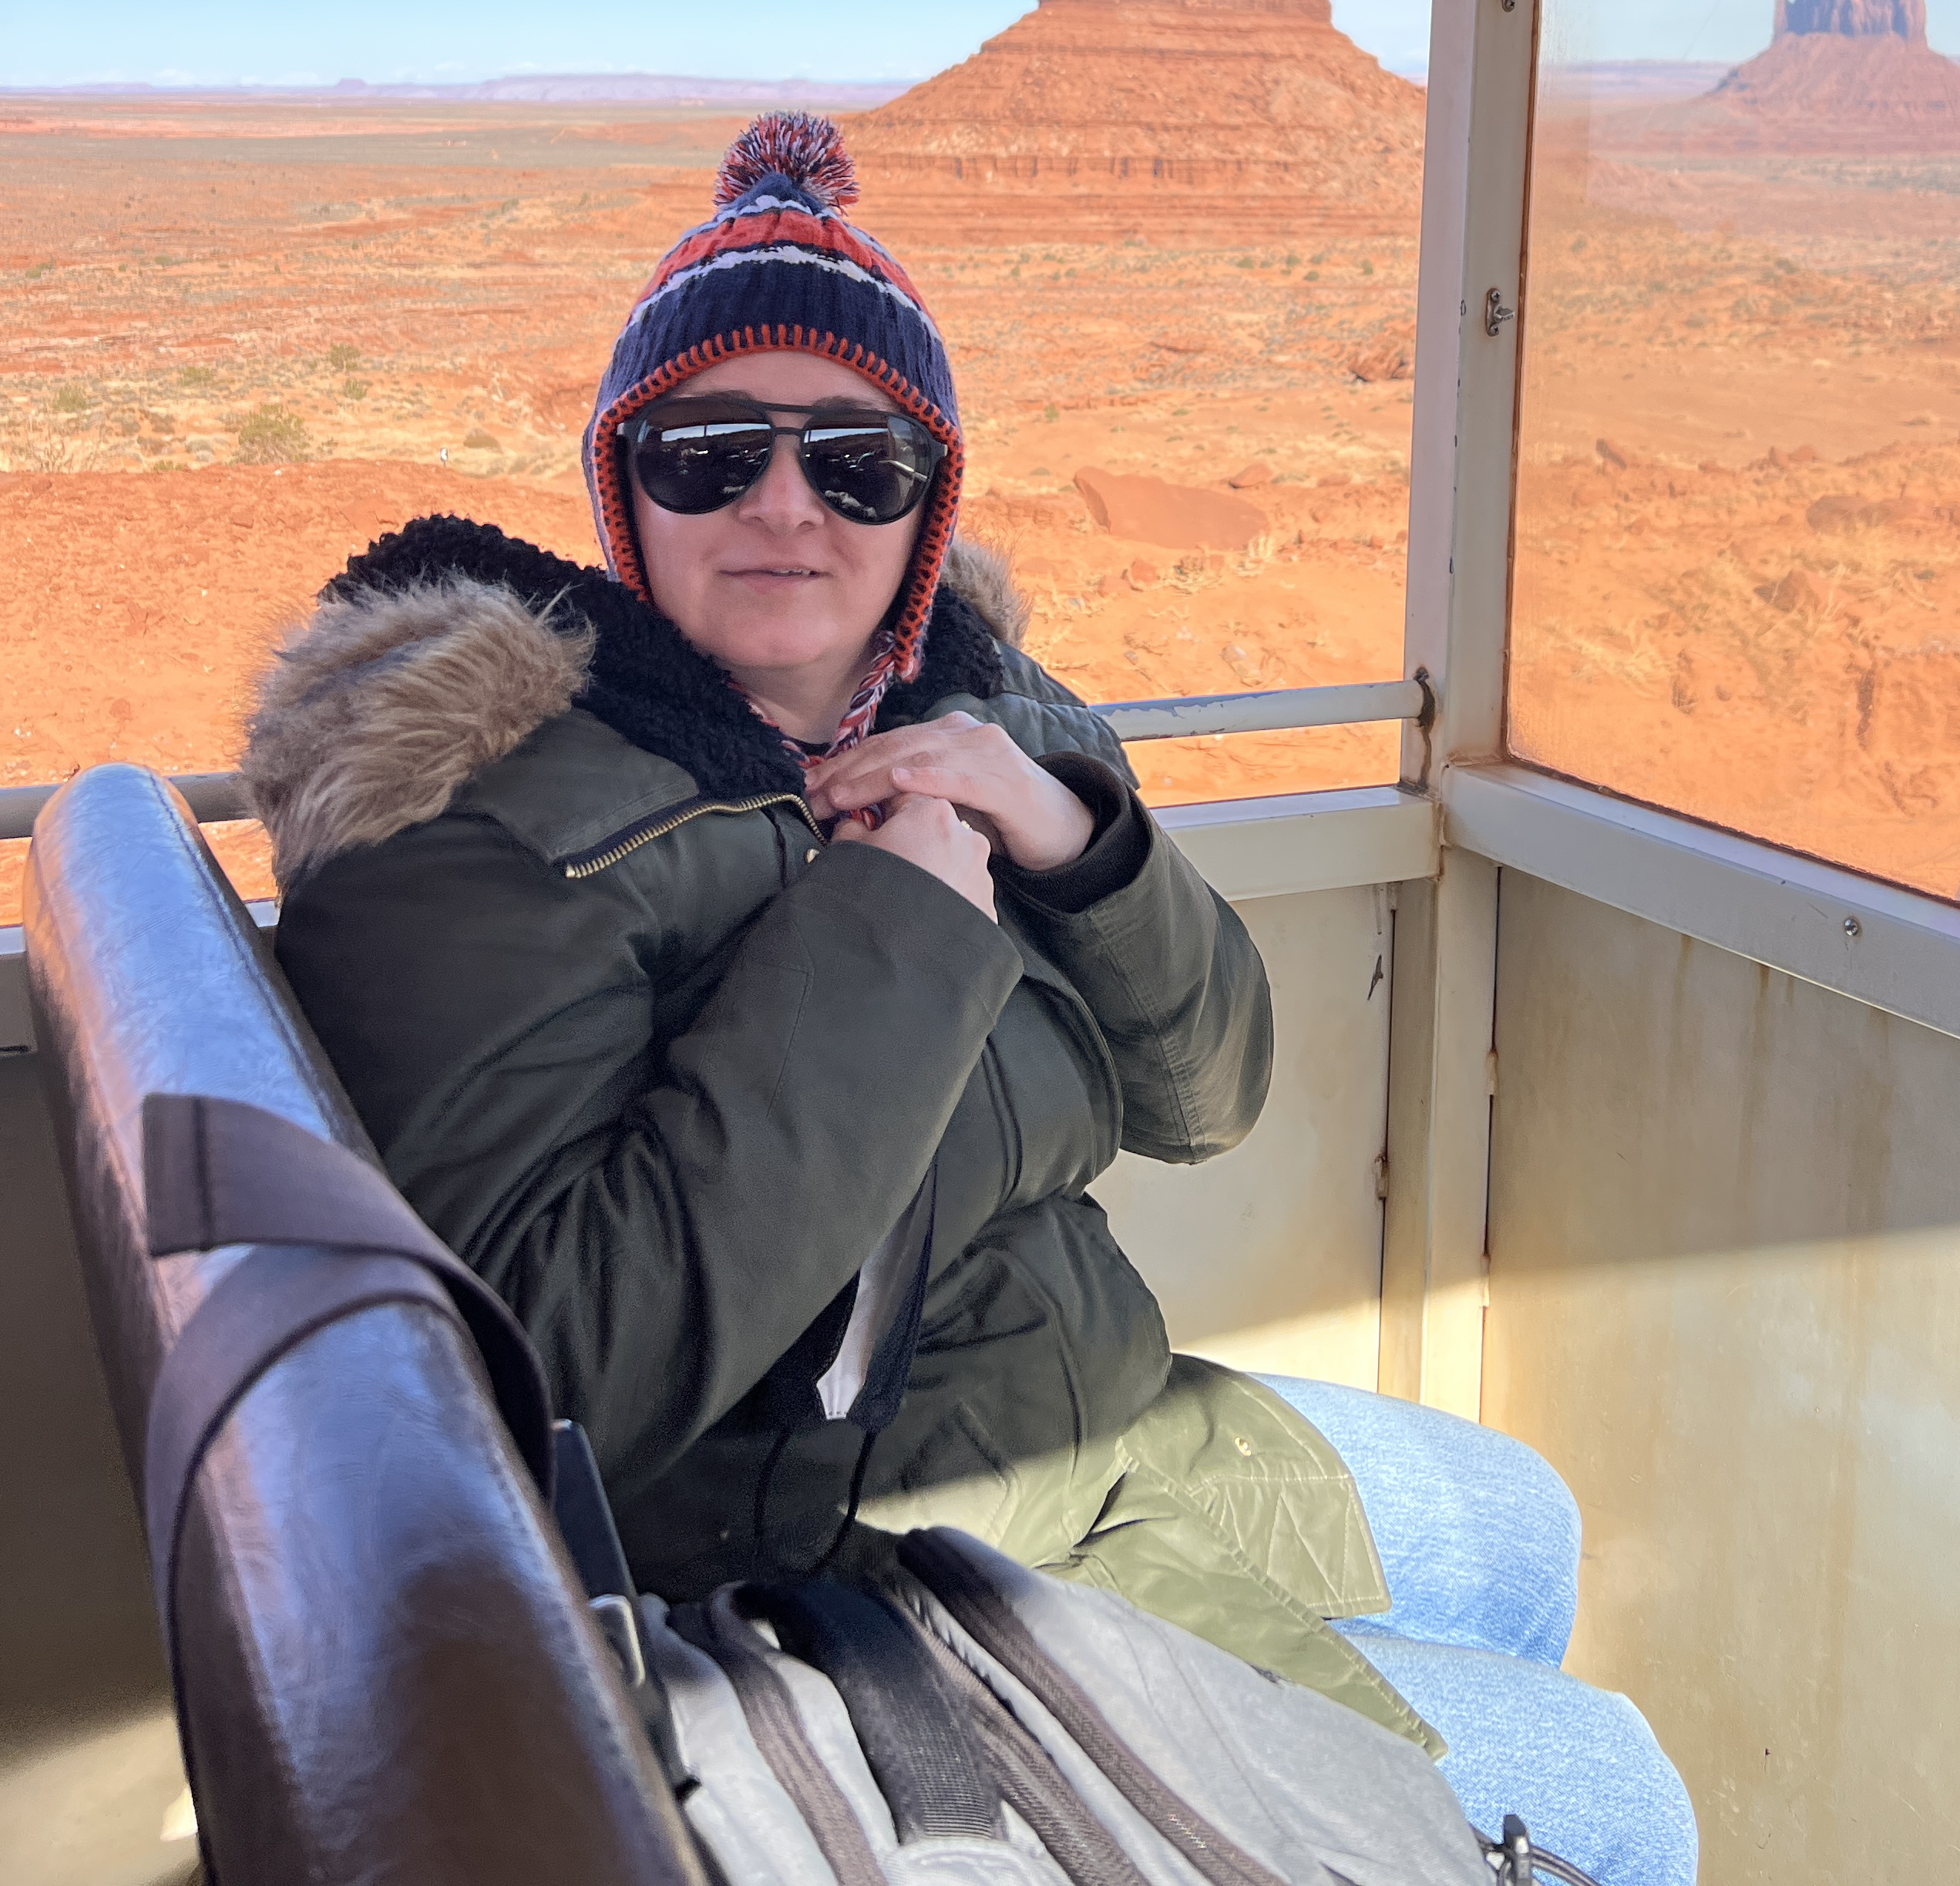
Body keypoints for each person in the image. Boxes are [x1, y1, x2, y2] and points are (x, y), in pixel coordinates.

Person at [247, 112, 1694, 1885]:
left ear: (928, 501)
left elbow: (1211, 1097)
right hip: (889, 1559)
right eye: (712, 454)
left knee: (1529, 1524)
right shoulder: (480, 828)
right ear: (625, 488)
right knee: (1624, 1802)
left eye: (858, 462)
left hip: (1102, 1420)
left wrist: (1078, 841)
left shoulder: (980, 704)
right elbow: (556, 1384)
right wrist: (894, 925)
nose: (787, 505)